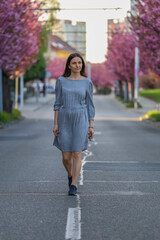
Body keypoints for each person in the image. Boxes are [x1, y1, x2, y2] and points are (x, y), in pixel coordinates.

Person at [53, 53, 95, 196]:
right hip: (64, 120)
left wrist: (91, 125)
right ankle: (70, 175)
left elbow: (90, 105)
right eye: (74, 63)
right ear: (69, 65)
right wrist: (55, 124)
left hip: (81, 119)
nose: (78, 65)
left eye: (79, 62)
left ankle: (73, 185)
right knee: (66, 156)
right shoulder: (61, 81)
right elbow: (57, 104)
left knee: (77, 153)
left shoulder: (87, 82)